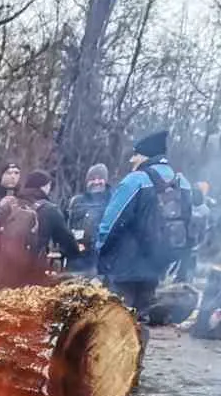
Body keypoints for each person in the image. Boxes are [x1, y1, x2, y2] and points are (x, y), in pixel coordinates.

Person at [97, 129, 193, 323]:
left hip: (125, 268)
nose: (132, 160)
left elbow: (111, 223)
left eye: (136, 154)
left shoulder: (136, 181)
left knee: (114, 322)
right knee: (139, 321)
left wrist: (100, 256)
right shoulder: (182, 183)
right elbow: (190, 223)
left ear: (145, 156)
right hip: (157, 266)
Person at [65, 163, 110, 277]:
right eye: (92, 179)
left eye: (100, 179)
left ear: (106, 180)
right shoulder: (76, 202)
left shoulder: (113, 200)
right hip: (76, 261)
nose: (96, 182)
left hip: (103, 262)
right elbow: (65, 228)